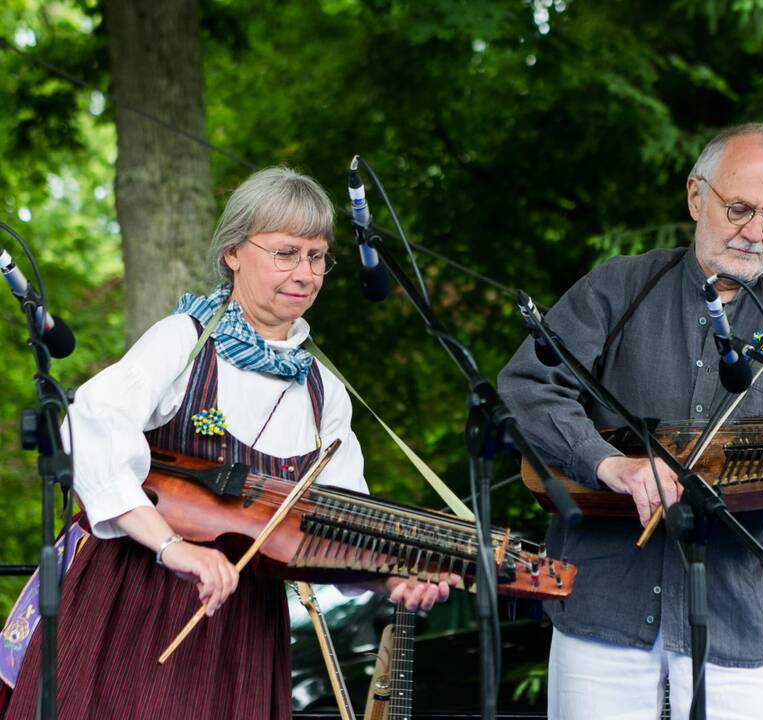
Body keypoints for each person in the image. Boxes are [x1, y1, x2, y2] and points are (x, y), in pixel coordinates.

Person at [1, 167, 450, 719]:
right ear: (234, 252)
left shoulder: (321, 391)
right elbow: (89, 423)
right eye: (286, 252)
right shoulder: (185, 343)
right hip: (137, 600)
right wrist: (172, 546)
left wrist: (387, 579)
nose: (305, 272)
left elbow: (336, 523)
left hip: (245, 625)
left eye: (317, 256)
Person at [498, 123, 763, 719]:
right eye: (739, 209)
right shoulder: (617, 286)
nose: (755, 233)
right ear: (695, 197)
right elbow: (529, 384)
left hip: (739, 624)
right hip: (604, 607)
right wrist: (608, 463)